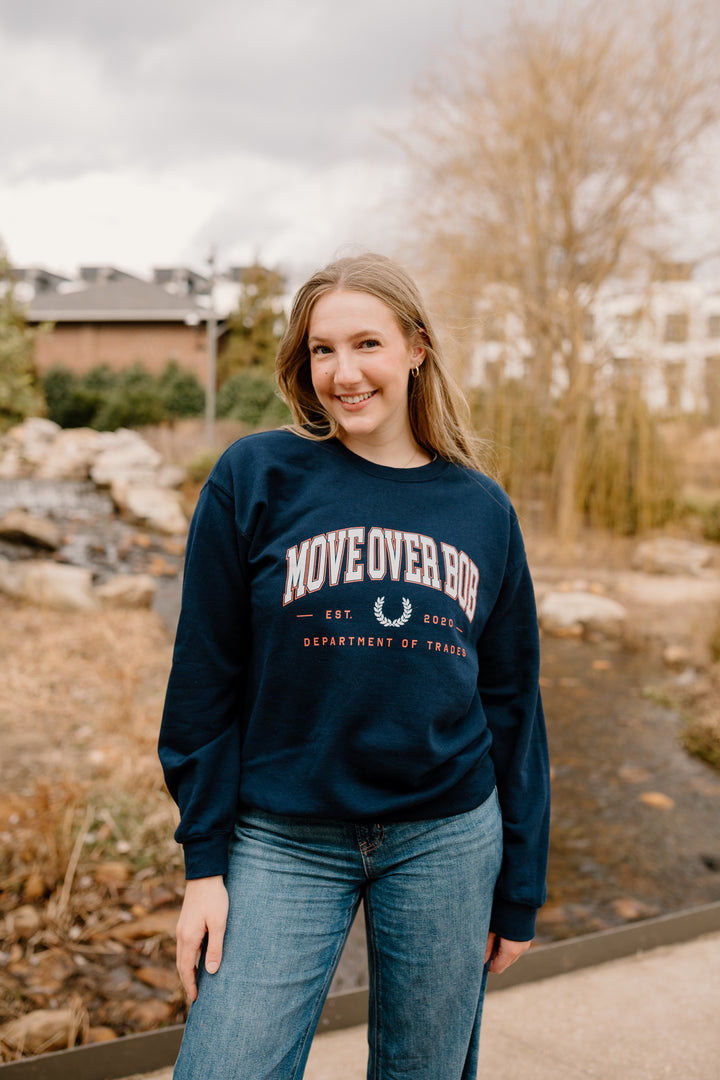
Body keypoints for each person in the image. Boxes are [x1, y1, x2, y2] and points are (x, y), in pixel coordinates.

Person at [158, 252, 550, 1080]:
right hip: (281, 836)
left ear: (415, 347)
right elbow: (203, 679)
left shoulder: (481, 508)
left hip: (447, 837)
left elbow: (513, 704)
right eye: (321, 351)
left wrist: (520, 886)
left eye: (366, 343)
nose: (344, 373)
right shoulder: (255, 477)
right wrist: (203, 863)